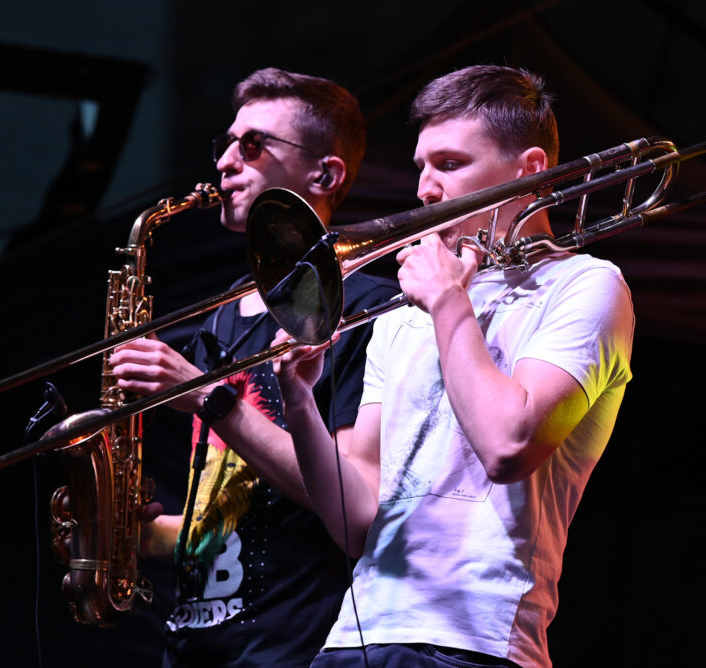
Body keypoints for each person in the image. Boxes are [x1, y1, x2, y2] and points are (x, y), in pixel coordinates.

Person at [271, 65, 635, 668]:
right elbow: (358, 519)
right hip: (353, 639)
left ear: (532, 169)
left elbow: (508, 445)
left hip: (474, 642)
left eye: (450, 163)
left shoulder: (586, 285)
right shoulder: (401, 312)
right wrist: (300, 405)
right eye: (421, 166)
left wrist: (447, 302)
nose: (425, 189)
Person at [108, 67, 399, 667]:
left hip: (289, 647)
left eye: (254, 145)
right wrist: (141, 535)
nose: (226, 164)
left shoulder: (366, 305)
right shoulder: (226, 309)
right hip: (193, 641)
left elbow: (343, 499)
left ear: (325, 173)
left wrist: (206, 395)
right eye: (227, 144)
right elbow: (229, 505)